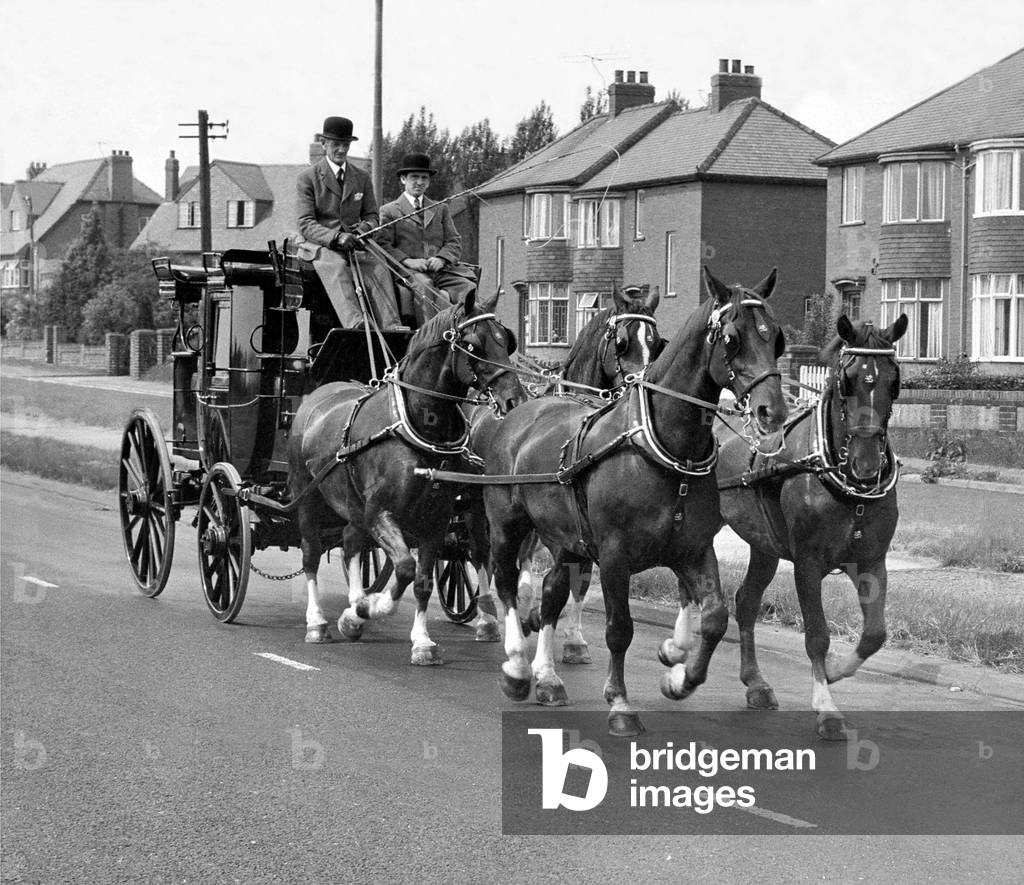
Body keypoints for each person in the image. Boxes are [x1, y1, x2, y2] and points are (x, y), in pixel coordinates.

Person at [296, 116, 402, 329]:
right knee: (335, 266)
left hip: (355, 244)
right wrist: (336, 237)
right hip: (321, 246)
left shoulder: (361, 177)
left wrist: (364, 229)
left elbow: (373, 215)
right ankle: (357, 324)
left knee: (378, 266)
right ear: (324, 144)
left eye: (346, 145)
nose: (342, 150)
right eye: (336, 144)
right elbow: (306, 223)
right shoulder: (308, 178)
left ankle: (392, 326)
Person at [376, 153, 478, 324]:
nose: (419, 182)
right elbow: (382, 244)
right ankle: (432, 338)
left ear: (429, 182)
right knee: (424, 287)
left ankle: (474, 339)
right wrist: (408, 261)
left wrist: (442, 258)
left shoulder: (440, 209)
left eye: (424, 178)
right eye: (414, 177)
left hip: (442, 271)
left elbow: (454, 241)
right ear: (403, 179)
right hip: (410, 272)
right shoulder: (389, 211)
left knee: (469, 290)